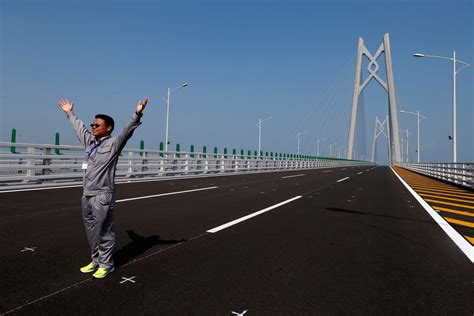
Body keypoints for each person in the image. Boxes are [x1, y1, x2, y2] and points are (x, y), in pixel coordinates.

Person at [58, 98, 149, 278]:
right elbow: (79, 128)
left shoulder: (113, 144)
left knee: (104, 231)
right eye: (93, 124)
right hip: (87, 195)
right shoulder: (90, 143)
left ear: (107, 128)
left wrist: (137, 113)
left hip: (103, 195)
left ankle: (107, 265)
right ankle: (96, 260)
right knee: (91, 231)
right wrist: (69, 113)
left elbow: (127, 131)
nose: (93, 127)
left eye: (97, 125)